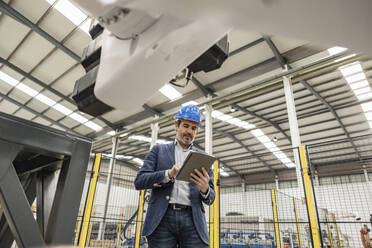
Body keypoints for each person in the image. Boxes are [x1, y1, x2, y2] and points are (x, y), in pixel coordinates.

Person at [134, 104, 215, 248]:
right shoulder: (158, 151)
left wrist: (205, 190)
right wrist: (168, 174)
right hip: (162, 219)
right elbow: (139, 181)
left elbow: (211, 198)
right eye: (185, 126)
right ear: (176, 126)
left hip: (193, 220)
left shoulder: (203, 158)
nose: (189, 131)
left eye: (193, 128)